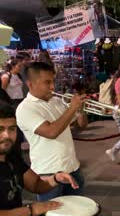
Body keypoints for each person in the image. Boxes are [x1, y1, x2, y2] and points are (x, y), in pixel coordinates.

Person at [0, 101, 79, 216]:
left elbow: (36, 185)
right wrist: (30, 210)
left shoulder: (12, 158)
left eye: (11, 129)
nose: (7, 135)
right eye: (0, 129)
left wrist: (56, 178)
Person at [15, 62, 87, 202]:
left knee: (77, 213)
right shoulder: (25, 108)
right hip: (47, 173)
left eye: (53, 81)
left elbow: (81, 126)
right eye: (47, 82)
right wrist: (72, 108)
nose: (53, 86)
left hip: (72, 167)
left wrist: (80, 110)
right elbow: (51, 132)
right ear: (30, 84)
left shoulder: (57, 101)